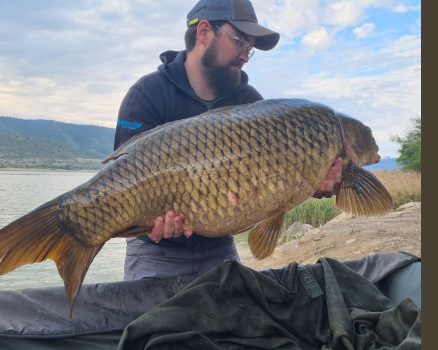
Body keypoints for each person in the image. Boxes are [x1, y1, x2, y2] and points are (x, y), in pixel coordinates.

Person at [114, 0, 342, 281]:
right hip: (155, 254)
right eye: (240, 42)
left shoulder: (251, 104)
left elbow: (274, 185)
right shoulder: (146, 94)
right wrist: (145, 223)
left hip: (220, 249)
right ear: (204, 32)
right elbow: (122, 183)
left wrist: (311, 183)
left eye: (250, 48)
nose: (246, 56)